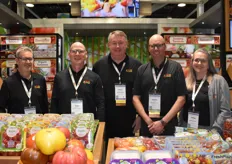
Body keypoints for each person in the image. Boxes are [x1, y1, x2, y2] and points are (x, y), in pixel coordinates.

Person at [133, 34, 187, 137]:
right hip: (147, 125)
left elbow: (181, 98)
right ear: (149, 48)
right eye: (152, 46)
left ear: (165, 47)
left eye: (159, 45)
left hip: (169, 123)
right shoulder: (141, 70)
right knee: (147, 151)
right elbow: (136, 97)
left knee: (168, 153)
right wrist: (148, 121)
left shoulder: (176, 68)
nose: (156, 49)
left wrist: (162, 122)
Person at [93, 30, 142, 139]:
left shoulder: (137, 66)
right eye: (114, 43)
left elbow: (142, 93)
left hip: (130, 120)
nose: (117, 46)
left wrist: (140, 117)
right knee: (105, 153)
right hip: (105, 120)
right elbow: (95, 96)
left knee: (128, 152)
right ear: (108, 45)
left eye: (121, 43)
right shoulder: (98, 66)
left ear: (127, 44)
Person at [180, 48, 231, 134]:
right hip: (186, 130)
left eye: (203, 61)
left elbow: (225, 110)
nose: (199, 63)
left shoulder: (219, 81)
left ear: (208, 64)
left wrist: (215, 129)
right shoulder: (186, 81)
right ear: (192, 63)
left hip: (208, 132)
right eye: (196, 60)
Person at [50, 42, 105, 121]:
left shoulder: (95, 78)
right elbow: (54, 103)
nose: (77, 54)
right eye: (74, 51)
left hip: (88, 125)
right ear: (69, 55)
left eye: (81, 51)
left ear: (86, 55)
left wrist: (100, 125)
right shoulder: (59, 77)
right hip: (64, 125)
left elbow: (100, 104)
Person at [0, 46, 48, 114]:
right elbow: (1, 107)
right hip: (16, 123)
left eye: (30, 59)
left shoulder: (40, 80)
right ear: (17, 60)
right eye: (25, 59)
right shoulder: (8, 83)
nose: (28, 62)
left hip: (38, 123)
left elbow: (45, 106)